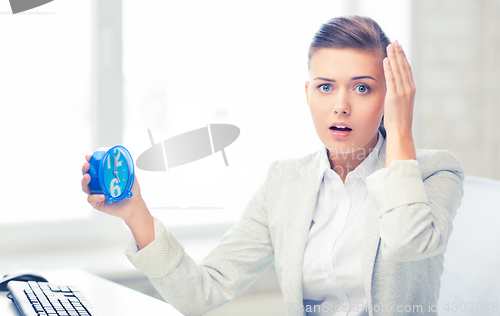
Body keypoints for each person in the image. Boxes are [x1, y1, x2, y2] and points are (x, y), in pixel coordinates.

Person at [81, 16, 464, 316]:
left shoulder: (434, 173)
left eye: (363, 88)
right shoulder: (285, 182)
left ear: (391, 96)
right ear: (308, 94)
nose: (341, 106)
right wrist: (135, 213)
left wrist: (399, 129)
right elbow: (202, 293)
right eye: (325, 87)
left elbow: (407, 242)